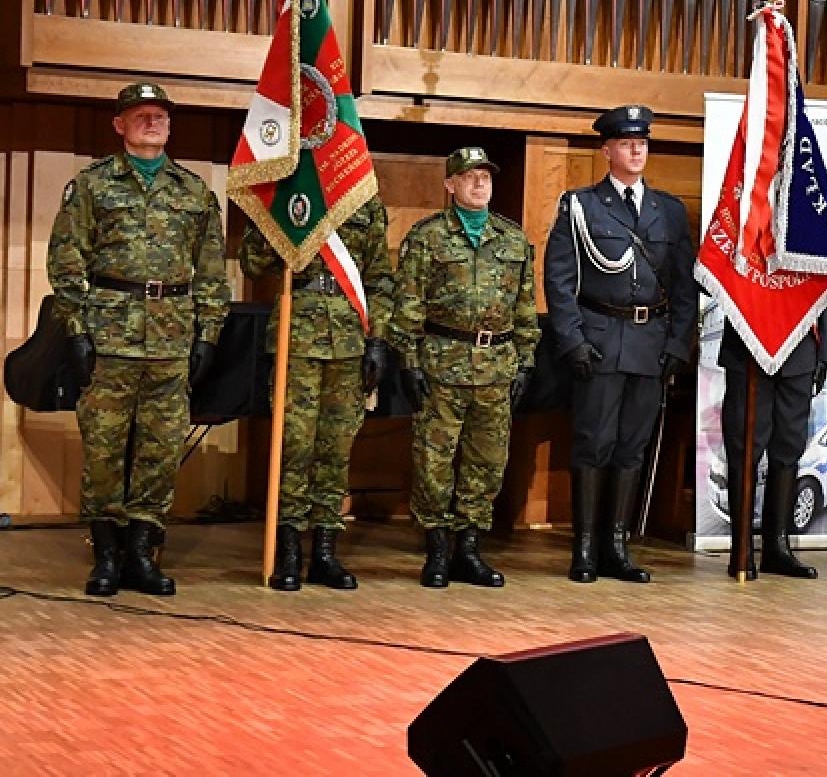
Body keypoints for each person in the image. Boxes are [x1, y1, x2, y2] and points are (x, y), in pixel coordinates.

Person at [46, 83, 230, 597]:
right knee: (104, 449)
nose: (154, 121)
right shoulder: (92, 185)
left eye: (162, 114)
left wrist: (209, 334)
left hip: (172, 340)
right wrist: (76, 331)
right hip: (110, 337)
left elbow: (212, 272)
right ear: (119, 124)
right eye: (142, 114)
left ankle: (143, 556)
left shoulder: (193, 191)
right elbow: (66, 263)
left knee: (160, 450)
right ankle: (105, 556)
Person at [543, 105, 696, 585]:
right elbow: (560, 278)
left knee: (633, 447)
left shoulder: (667, 210)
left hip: (650, 343)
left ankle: (617, 547)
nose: (636, 150)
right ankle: (585, 549)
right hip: (601, 339)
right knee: (593, 444)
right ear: (606, 150)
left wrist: (678, 344)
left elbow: (684, 285)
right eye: (627, 143)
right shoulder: (582, 206)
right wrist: (572, 341)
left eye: (643, 143)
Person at [391, 147, 540, 588]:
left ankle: (469, 551)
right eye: (469, 177)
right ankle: (437, 550)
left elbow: (525, 306)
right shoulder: (427, 237)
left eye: (485, 177)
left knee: (487, 462)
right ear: (450, 185)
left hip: (497, 366)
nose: (479, 184)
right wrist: (408, 359)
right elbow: (408, 303)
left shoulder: (513, 240)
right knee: (434, 461)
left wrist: (526, 360)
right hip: (442, 363)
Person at [240, 194, 394, 591]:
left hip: (348, 340)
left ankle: (325, 551)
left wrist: (377, 340)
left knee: (336, 448)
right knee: (294, 446)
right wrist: (270, 215)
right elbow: (253, 264)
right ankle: (289, 549)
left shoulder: (362, 198)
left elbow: (378, 278)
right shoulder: (287, 193)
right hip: (298, 336)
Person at [719, 308, 827, 580]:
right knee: (744, 448)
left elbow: (826, 275)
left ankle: (777, 547)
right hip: (748, 343)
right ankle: (742, 549)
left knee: (788, 448)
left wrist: (825, 350)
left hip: (800, 347)